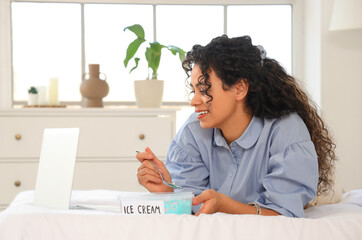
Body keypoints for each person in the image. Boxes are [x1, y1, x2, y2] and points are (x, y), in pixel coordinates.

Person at [136, 35, 336, 218]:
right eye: (193, 90)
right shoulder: (193, 130)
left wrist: (224, 205)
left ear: (239, 88)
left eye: (204, 89)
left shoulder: (285, 130)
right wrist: (167, 191)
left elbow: (283, 214)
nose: (194, 101)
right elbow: (189, 204)